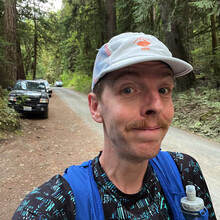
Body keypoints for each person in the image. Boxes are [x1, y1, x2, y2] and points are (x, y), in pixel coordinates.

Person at [12, 32, 216, 219]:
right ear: (95, 106)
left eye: (163, 89)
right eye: (128, 90)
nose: (155, 105)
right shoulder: (50, 209)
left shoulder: (185, 172)